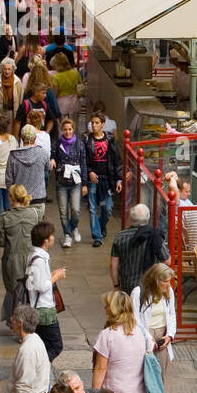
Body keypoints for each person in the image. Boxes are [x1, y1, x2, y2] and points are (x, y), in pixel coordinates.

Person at [91, 290, 154, 393]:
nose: (104, 309)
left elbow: (100, 369)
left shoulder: (107, 335)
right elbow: (151, 349)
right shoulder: (142, 332)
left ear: (113, 309)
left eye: (107, 305)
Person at [0, 184, 39, 322]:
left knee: (14, 292)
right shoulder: (34, 214)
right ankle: (30, 320)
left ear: (11, 198)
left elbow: (1, 242)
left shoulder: (4, 218)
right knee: (31, 290)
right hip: (31, 258)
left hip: (12, 260)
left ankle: (15, 320)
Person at [131, 263, 177, 387]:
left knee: (160, 373)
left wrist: (169, 336)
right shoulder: (138, 292)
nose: (169, 284)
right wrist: (148, 338)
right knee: (144, 374)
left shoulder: (169, 292)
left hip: (162, 335)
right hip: (145, 335)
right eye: (165, 281)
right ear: (156, 280)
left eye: (169, 281)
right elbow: (135, 319)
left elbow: (172, 314)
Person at [25, 221, 66, 361]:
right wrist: (56, 277)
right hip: (44, 309)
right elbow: (41, 287)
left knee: (42, 345)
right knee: (56, 346)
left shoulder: (35, 255)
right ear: (45, 241)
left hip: (39, 308)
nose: (54, 238)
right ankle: (40, 367)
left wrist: (52, 275)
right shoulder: (39, 260)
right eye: (51, 236)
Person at [111, 203, 169, 296]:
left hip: (127, 288)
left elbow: (114, 266)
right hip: (149, 286)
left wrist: (116, 286)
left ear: (131, 218)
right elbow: (167, 261)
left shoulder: (120, 237)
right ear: (148, 218)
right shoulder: (154, 236)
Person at [85, 113, 122, 247]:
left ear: (102, 124)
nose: (94, 125)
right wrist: (89, 172)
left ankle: (100, 226)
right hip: (93, 180)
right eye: (92, 123)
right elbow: (83, 161)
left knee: (107, 208)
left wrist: (119, 179)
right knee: (93, 208)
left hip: (107, 179)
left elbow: (117, 161)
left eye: (96, 123)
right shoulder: (87, 141)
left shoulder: (110, 140)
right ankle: (97, 237)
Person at [51, 116, 88, 245]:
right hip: (61, 182)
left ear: (73, 129)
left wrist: (84, 183)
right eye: (65, 129)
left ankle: (74, 227)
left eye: (70, 129)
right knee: (63, 211)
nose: (67, 132)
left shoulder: (79, 144)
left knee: (76, 209)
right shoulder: (57, 144)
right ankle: (67, 234)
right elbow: (52, 155)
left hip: (75, 182)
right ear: (62, 130)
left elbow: (83, 163)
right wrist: (52, 160)